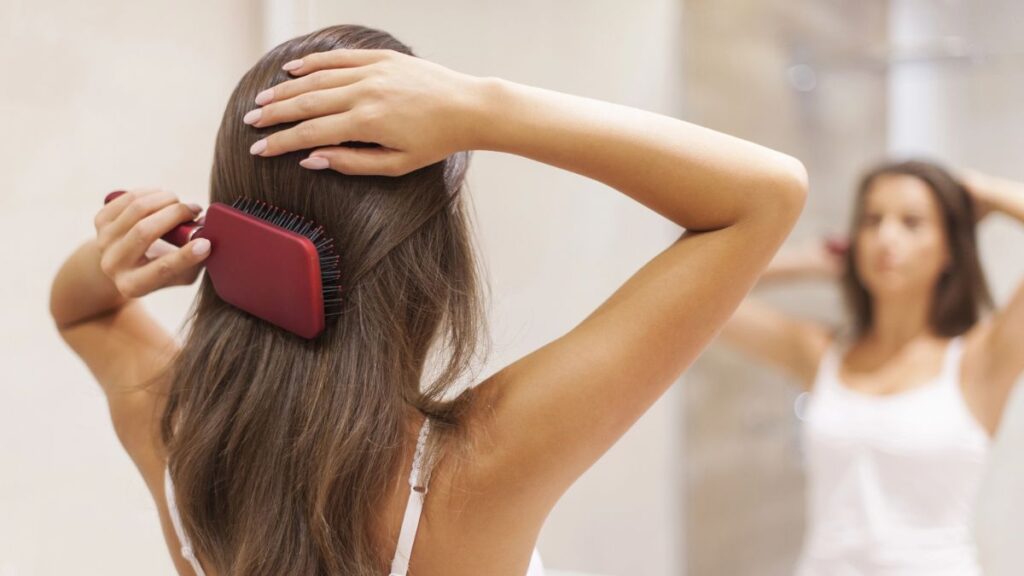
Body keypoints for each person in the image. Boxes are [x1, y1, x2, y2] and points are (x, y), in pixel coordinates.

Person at [49, 24, 807, 576]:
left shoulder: (174, 433)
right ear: (429, 255)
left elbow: (79, 311)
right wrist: (484, 107)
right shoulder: (475, 468)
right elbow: (764, 194)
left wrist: (123, 253)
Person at [716, 160, 1024, 575]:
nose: (885, 237)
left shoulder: (978, 361)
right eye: (872, 220)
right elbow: (696, 296)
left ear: (950, 247)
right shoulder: (822, 353)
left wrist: (982, 190)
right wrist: (807, 261)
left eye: (911, 222)